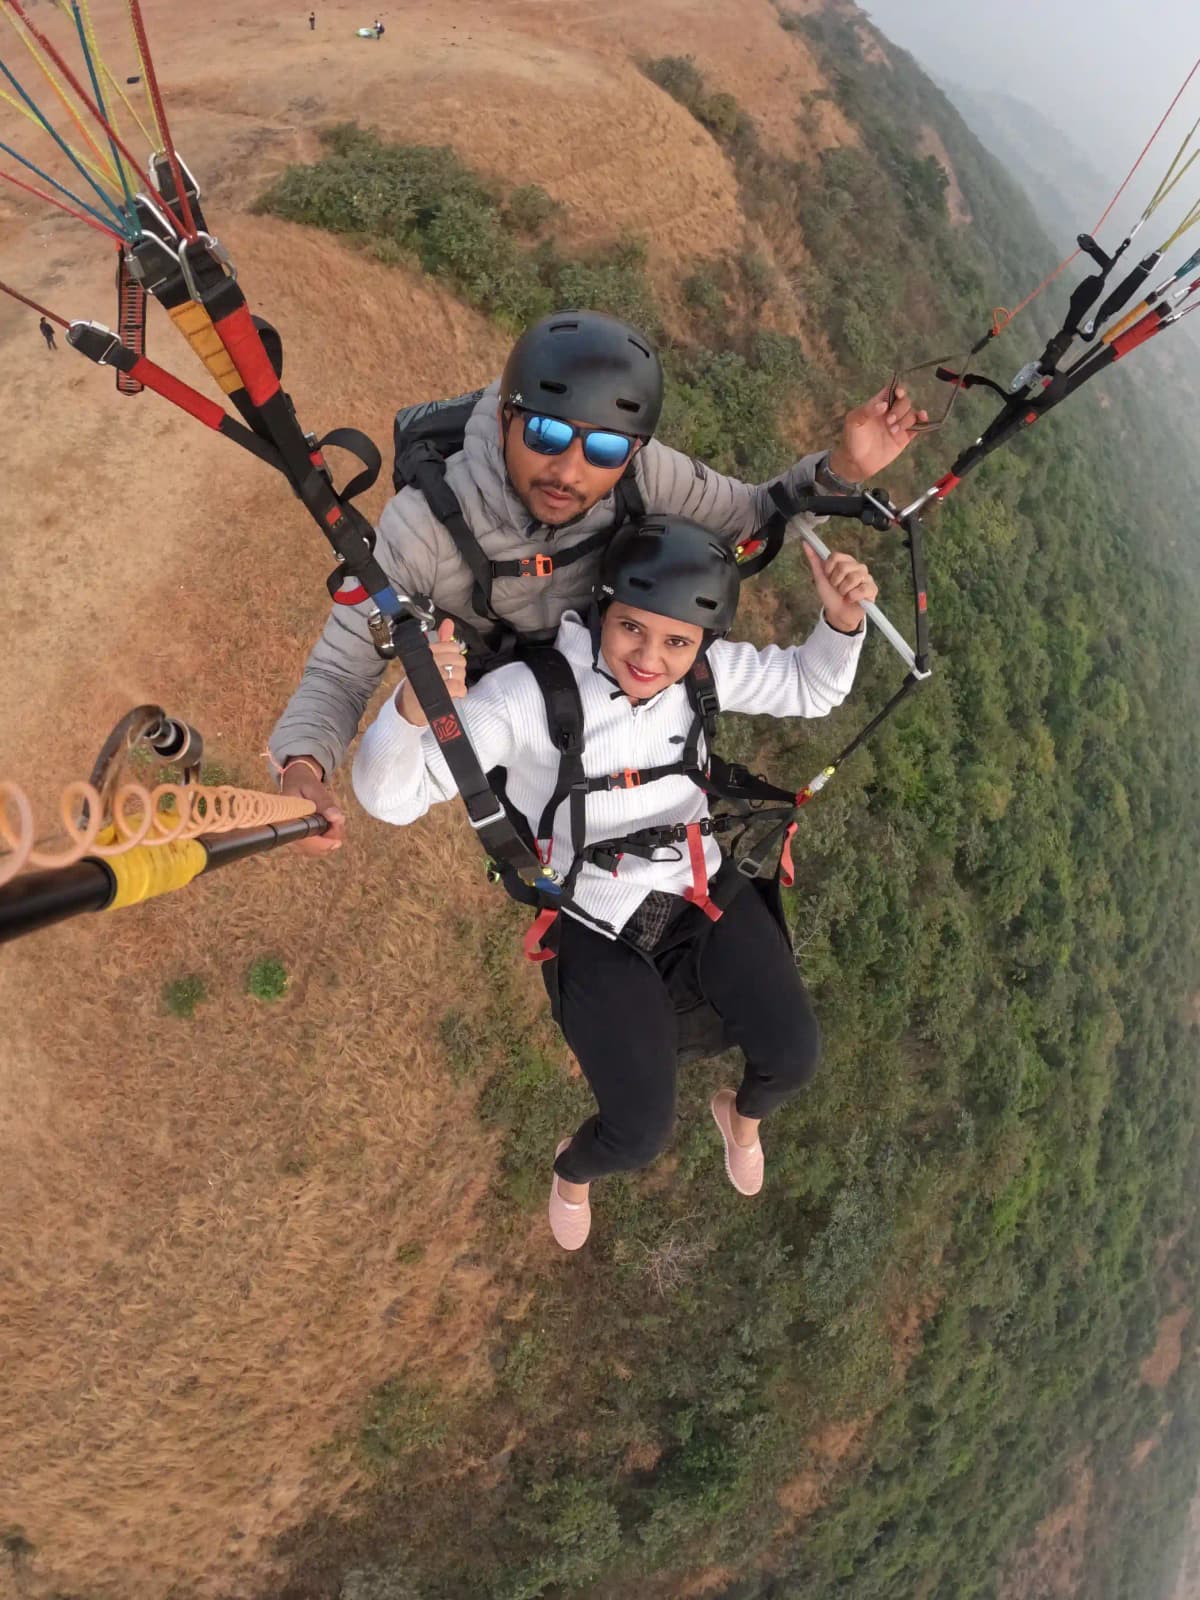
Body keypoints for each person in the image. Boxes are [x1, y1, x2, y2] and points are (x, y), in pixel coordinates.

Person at [351, 515, 877, 1248]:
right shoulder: (527, 700)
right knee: (638, 1132)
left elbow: (808, 686)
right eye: (632, 628)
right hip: (595, 916)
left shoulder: (702, 676)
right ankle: (572, 1171)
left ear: (700, 645)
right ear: (603, 605)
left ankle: (741, 1117)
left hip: (696, 887)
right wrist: (414, 707)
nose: (650, 659)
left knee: (793, 1055)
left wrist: (843, 622)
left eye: (676, 642)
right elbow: (390, 797)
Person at [271, 309, 924, 849]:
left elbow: (753, 516)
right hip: (509, 702)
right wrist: (303, 765)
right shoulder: (425, 527)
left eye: (605, 448)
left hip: (603, 673)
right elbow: (340, 669)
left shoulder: (646, 477)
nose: (571, 470)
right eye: (548, 434)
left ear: (633, 451)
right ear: (505, 417)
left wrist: (842, 469)